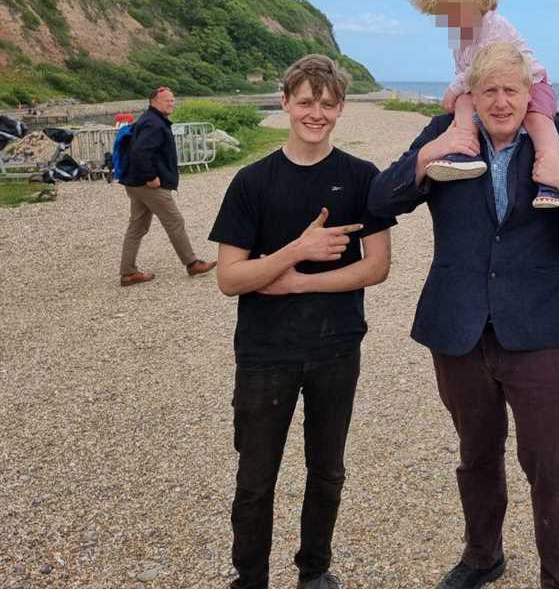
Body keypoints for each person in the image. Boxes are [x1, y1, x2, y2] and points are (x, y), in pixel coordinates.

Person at [368, 41, 559, 589]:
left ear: (530, 95)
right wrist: (431, 155)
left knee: (551, 464)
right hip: (458, 326)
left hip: (537, 328)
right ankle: (482, 556)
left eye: (512, 90)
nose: (501, 101)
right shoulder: (446, 134)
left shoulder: (558, 138)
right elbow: (380, 200)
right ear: (470, 95)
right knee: (475, 454)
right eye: (489, 90)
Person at [211, 54, 395, 589]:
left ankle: (314, 572)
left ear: (340, 108)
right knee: (255, 479)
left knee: (328, 471)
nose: (317, 112)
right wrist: (298, 249)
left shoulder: (361, 177)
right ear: (286, 101)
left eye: (328, 102)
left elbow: (377, 266)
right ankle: (250, 579)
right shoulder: (252, 181)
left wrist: (299, 281)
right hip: (265, 352)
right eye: (307, 101)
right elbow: (230, 277)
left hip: (337, 347)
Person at [408, 0, 559, 208]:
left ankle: (550, 172)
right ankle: (465, 148)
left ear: (474, 0)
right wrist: (459, 92)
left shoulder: (493, 25)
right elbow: (466, 75)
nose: (450, 21)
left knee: (539, 122)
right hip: (489, 89)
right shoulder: (461, 39)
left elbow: (478, 69)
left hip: (530, 83)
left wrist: (453, 88)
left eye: (454, 12)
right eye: (445, 15)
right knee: (463, 102)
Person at [118, 85, 216, 286]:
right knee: (175, 221)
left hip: (134, 183)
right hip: (148, 185)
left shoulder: (149, 119)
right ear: (154, 101)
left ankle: (128, 273)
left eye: (173, 100)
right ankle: (192, 263)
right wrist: (151, 177)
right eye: (167, 100)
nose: (171, 103)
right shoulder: (154, 124)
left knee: (137, 226)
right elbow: (140, 152)